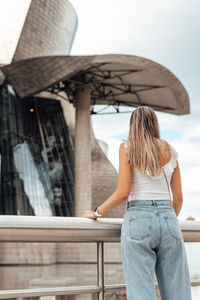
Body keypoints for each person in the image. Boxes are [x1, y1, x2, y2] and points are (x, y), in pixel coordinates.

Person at [82, 106, 192, 300]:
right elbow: (179, 197)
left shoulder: (126, 148)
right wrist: (167, 219)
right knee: (178, 292)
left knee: (141, 290)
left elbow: (123, 193)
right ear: (154, 124)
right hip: (168, 219)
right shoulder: (170, 149)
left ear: (133, 125)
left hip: (138, 220)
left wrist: (97, 212)